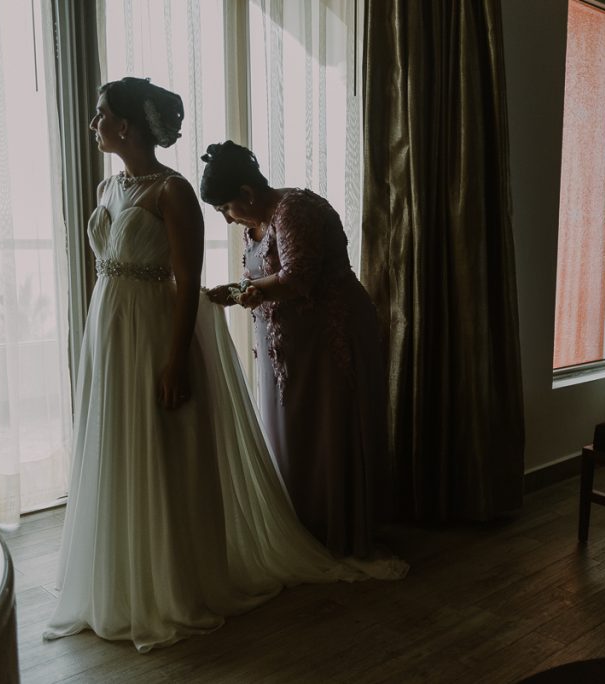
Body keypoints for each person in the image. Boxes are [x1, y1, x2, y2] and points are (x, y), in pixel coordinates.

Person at [43, 78, 401, 655]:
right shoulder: (109, 187)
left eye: (101, 113)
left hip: (155, 330)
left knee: (162, 447)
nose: (94, 123)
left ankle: (170, 581)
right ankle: (117, 575)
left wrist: (176, 360)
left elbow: (189, 280)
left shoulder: (174, 191)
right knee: (115, 442)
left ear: (127, 125)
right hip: (108, 331)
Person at [201, 141, 391, 560]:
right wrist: (237, 293)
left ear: (247, 193)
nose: (227, 219)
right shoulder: (254, 222)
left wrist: (236, 292)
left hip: (328, 337)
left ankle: (333, 529)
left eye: (226, 208)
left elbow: (298, 277)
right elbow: (261, 281)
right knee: (289, 431)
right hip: (286, 346)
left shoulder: (294, 210)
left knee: (325, 427)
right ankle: (299, 529)